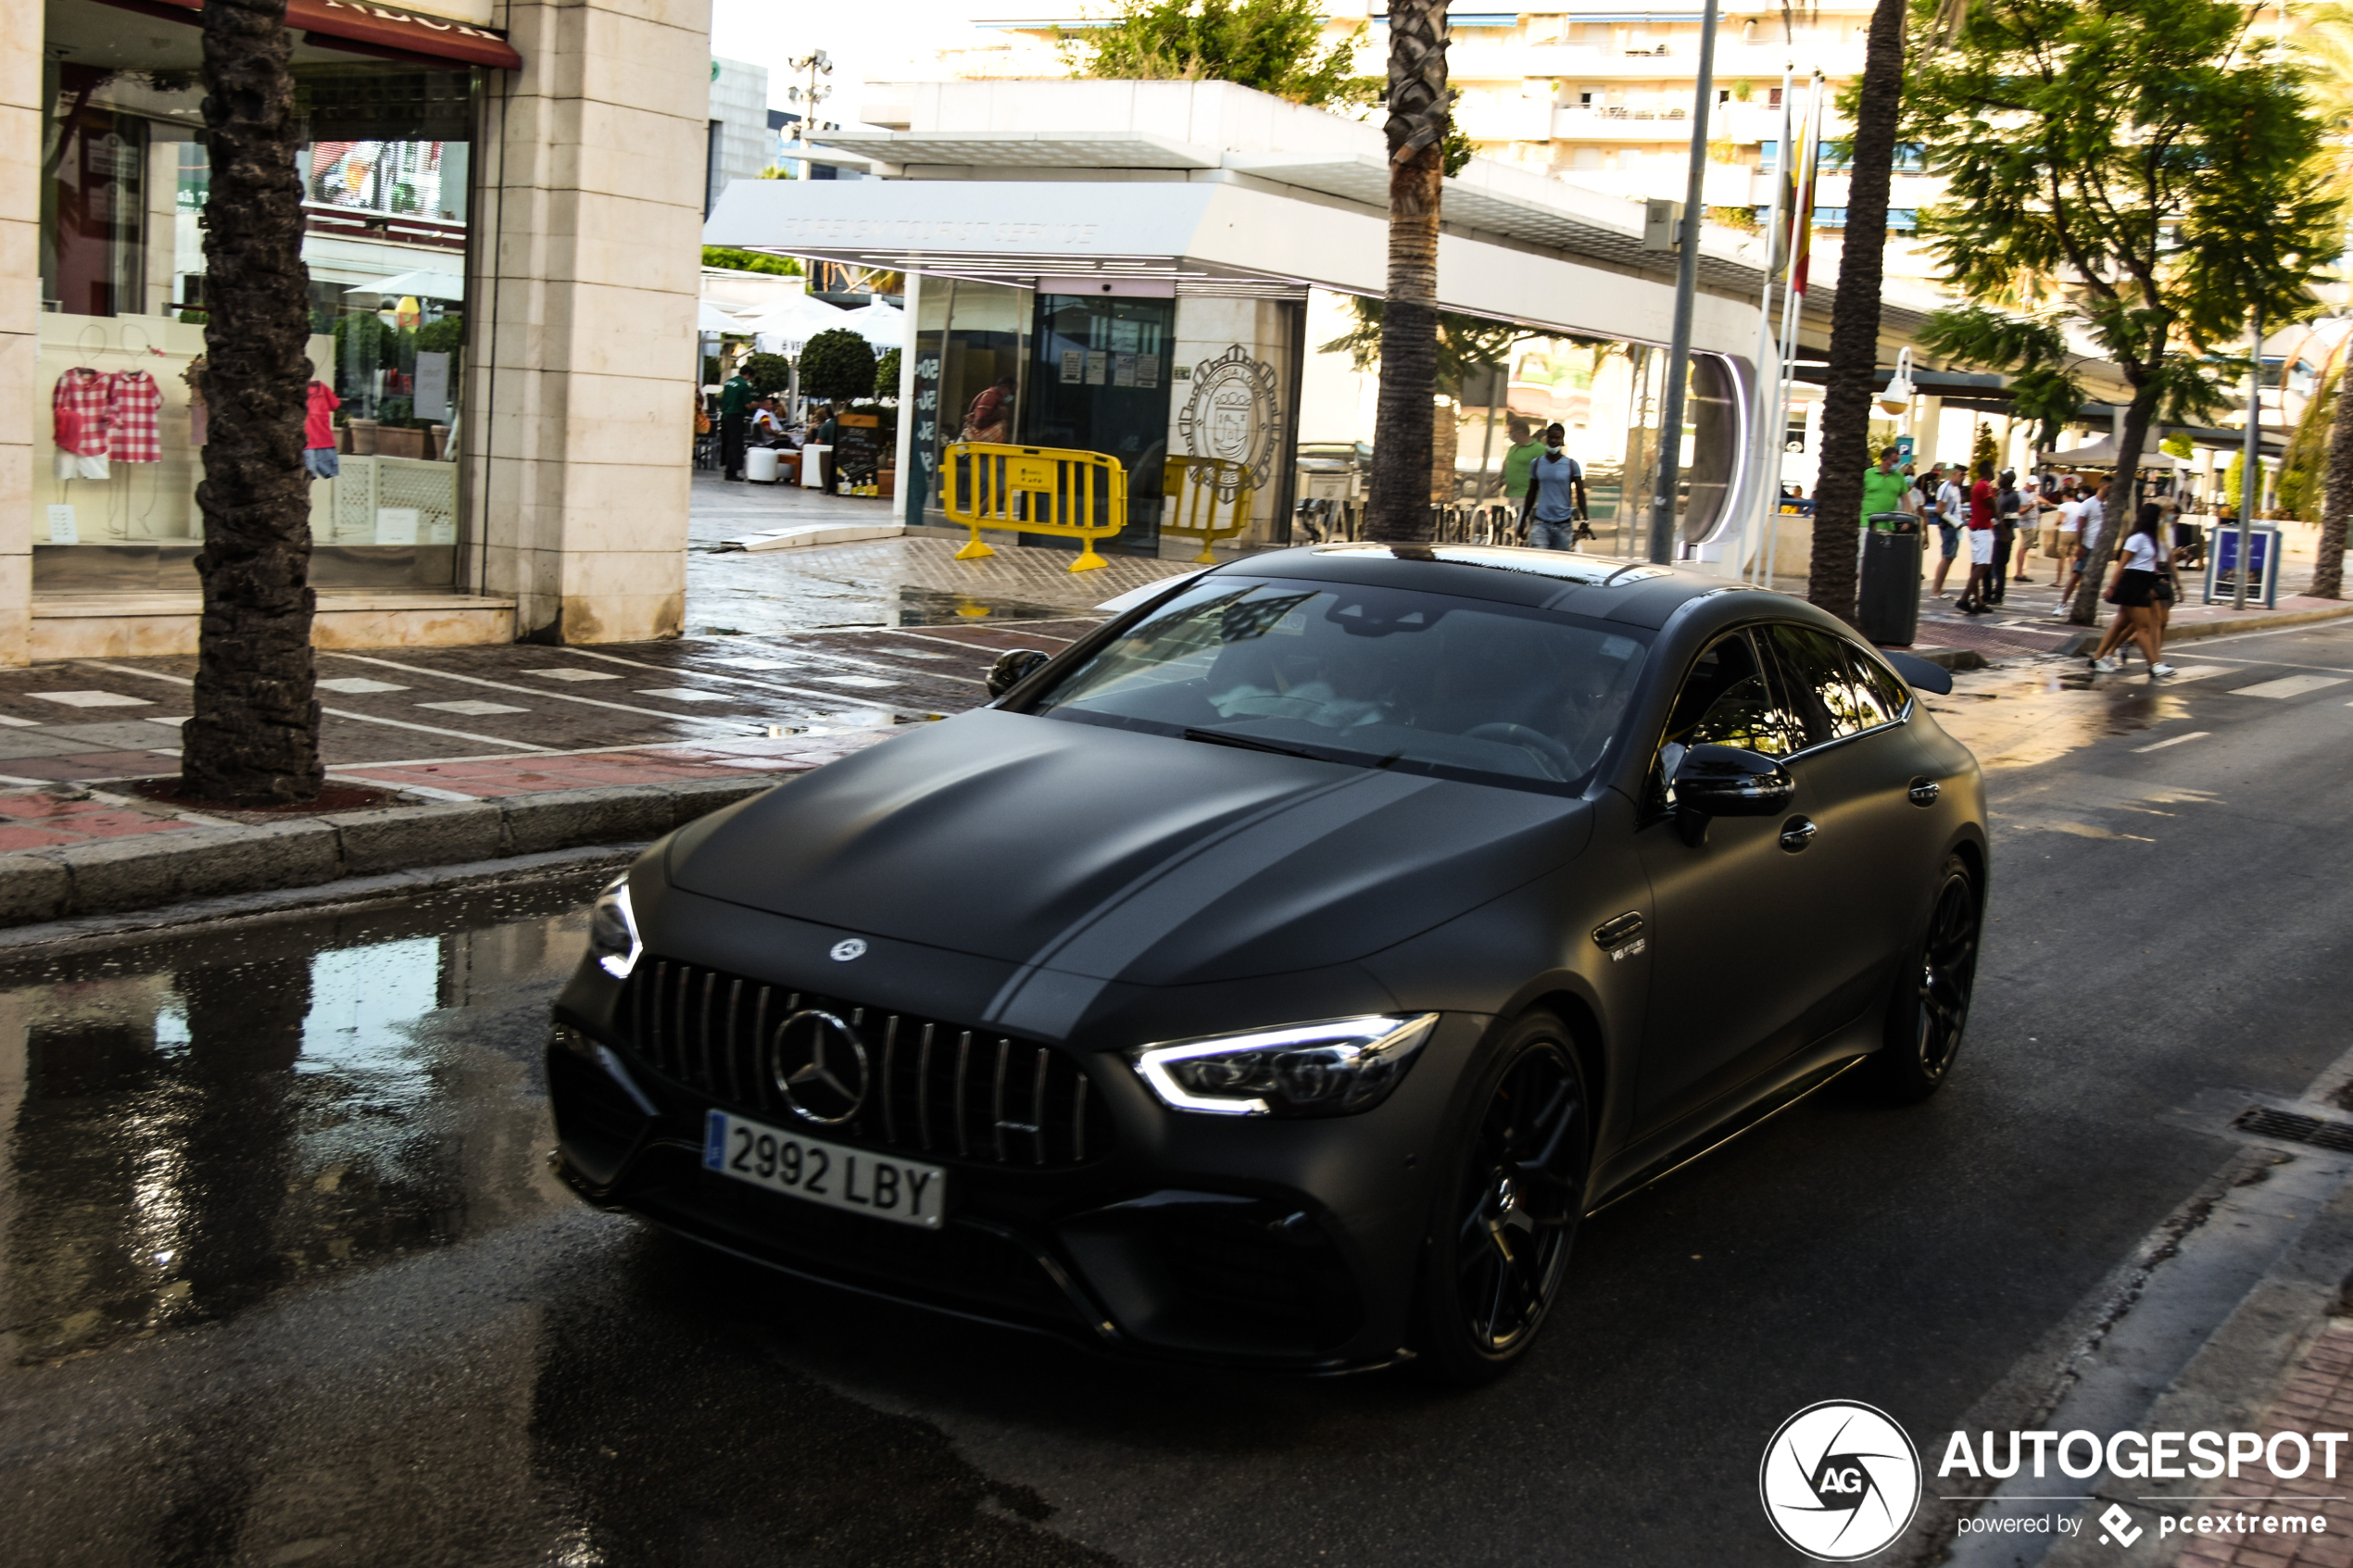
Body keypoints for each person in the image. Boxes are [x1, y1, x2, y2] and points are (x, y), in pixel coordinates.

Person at [2089, 504, 2178, 677]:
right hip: (2132, 583)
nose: (2162, 520)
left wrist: (2154, 583)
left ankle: (2097, 657)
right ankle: (2154, 665)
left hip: (2143, 583)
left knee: (2120, 624)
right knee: (2142, 627)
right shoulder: (2137, 538)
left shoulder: (2149, 538)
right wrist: (2112, 587)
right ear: (2152, 518)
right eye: (2160, 516)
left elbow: (2148, 565)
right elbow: (2122, 564)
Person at [1521, 421, 1588, 549]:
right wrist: (1523, 519)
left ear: (1562, 441)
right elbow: (1532, 492)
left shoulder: (1571, 465)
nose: (1553, 440)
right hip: (1541, 523)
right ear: (1546, 439)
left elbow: (1580, 493)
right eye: (1550, 437)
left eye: (1557, 438)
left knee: (1558, 564)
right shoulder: (1536, 464)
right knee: (1538, 560)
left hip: (1563, 526)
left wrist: (1585, 519)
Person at [1957, 460, 1998, 613]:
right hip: (1983, 529)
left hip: (1975, 527)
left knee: (1976, 565)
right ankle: (1964, 598)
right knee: (1983, 566)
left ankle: (1979, 601)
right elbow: (1991, 504)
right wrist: (1999, 519)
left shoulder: (1978, 485)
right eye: (1992, 468)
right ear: (1988, 469)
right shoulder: (1985, 485)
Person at [1927, 463, 1964, 596]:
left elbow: (1957, 508)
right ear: (1954, 474)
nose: (1963, 478)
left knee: (1950, 557)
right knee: (1947, 556)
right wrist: (1955, 522)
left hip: (1956, 526)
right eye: (1961, 475)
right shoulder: (1945, 488)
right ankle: (1936, 589)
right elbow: (1939, 509)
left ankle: (1939, 587)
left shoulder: (1955, 489)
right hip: (1948, 526)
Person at [717, 366, 754, 482]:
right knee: (736, 444)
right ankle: (732, 472)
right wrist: (757, 405)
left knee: (727, 443)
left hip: (725, 416)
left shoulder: (729, 382)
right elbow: (747, 404)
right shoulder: (744, 385)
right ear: (748, 374)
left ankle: (727, 469)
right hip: (736, 417)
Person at [1860, 445, 1911, 526]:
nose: (1896, 464)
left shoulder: (1899, 477)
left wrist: (1907, 520)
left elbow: (1906, 501)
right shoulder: (1868, 474)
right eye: (1894, 461)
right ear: (1884, 459)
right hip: (1866, 522)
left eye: (1898, 461)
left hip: (1887, 524)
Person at [1499, 416, 1544, 504]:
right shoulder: (1513, 448)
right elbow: (1506, 467)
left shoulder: (1538, 449)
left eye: (1511, 432)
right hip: (1512, 494)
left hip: (1527, 495)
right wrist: (1498, 483)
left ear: (1520, 432)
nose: (1509, 435)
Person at [959, 375, 1016, 445]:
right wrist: (998, 415)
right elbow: (978, 423)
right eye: (1012, 392)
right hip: (978, 446)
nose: (1011, 396)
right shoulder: (990, 397)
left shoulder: (995, 398)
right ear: (1004, 387)